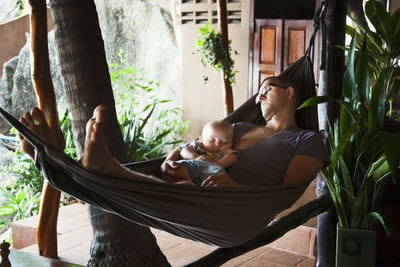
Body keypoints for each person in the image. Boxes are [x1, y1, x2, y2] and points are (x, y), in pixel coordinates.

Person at [19, 76, 329, 188]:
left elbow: (284, 192)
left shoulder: (307, 140)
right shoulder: (241, 127)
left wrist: (234, 186)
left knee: (172, 192)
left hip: (231, 200)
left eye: (267, 89)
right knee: (165, 178)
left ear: (289, 92)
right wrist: (172, 156)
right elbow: (199, 143)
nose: (259, 96)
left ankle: (99, 167)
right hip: (194, 177)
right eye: (258, 92)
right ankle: (53, 160)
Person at [164, 120, 239, 185]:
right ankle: (186, 182)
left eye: (225, 142)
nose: (217, 144)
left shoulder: (227, 152)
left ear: (231, 144)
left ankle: (191, 186)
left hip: (210, 172)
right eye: (212, 140)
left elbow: (232, 157)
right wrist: (195, 157)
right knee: (179, 166)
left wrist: (218, 164)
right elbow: (183, 151)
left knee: (219, 176)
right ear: (201, 139)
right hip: (192, 167)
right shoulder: (198, 145)